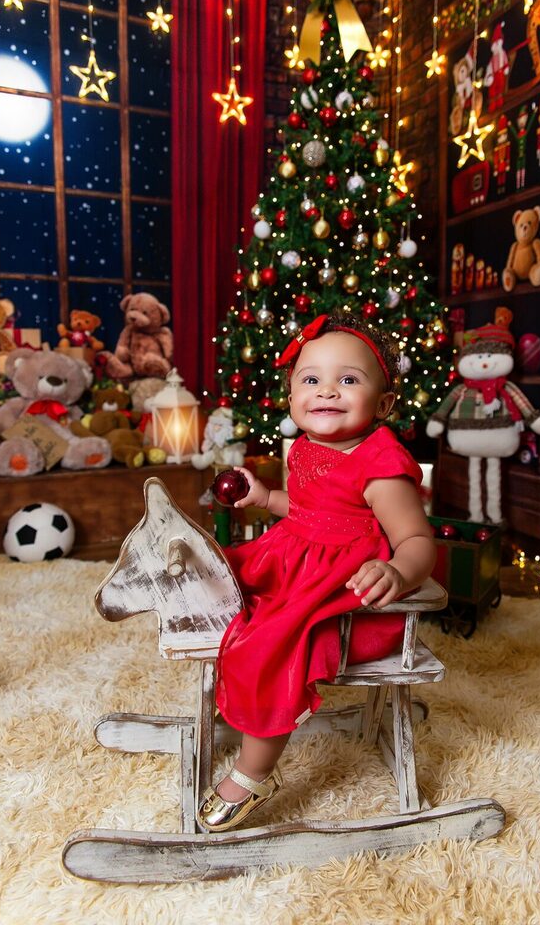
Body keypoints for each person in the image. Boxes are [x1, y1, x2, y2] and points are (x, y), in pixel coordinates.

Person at [198, 311, 436, 832]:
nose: (326, 391)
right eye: (311, 380)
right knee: (218, 582)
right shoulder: (306, 448)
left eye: (348, 380)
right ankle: (238, 694)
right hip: (292, 556)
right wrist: (267, 498)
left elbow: (419, 541)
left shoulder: (382, 467)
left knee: (272, 639)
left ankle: (255, 772)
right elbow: (310, 511)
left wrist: (397, 571)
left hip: (342, 593)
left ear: (383, 404)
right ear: (291, 398)